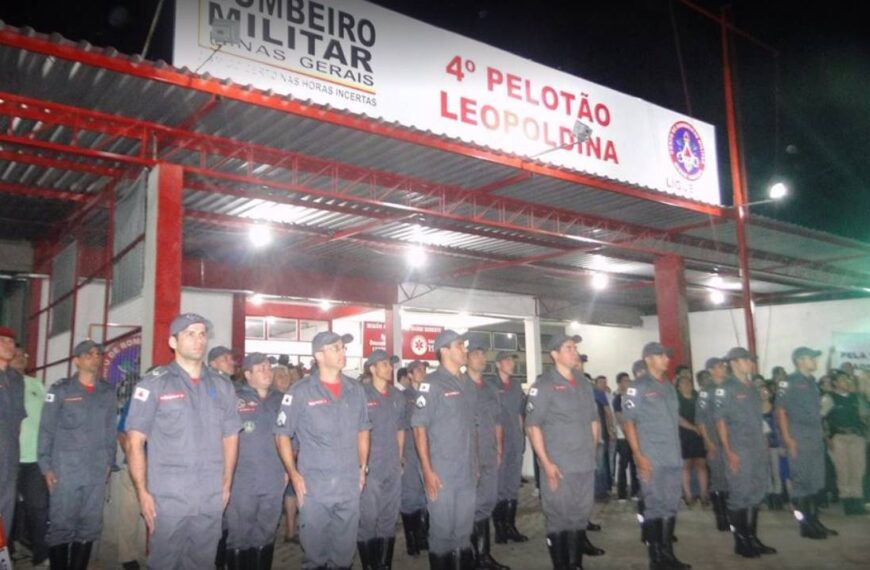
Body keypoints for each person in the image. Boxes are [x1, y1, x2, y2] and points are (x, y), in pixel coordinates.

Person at [125, 313, 241, 570]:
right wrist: (142, 492)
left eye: (202, 334)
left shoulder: (222, 385)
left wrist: (226, 481)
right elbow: (134, 442)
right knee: (165, 563)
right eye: (190, 334)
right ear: (173, 342)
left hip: (210, 495)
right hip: (168, 497)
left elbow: (231, 435)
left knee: (203, 562)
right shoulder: (154, 384)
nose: (198, 340)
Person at [274, 331, 370, 569]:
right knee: (316, 555)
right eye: (335, 348)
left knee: (344, 555)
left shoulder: (355, 390)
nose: (342, 352)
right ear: (318, 355)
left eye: (343, 347)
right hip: (315, 488)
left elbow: (363, 430)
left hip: (348, 485)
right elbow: (282, 434)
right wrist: (294, 474)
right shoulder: (300, 391)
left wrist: (362, 467)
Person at [526, 334, 603, 570]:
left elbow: (593, 420)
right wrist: (546, 463)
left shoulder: (583, 383)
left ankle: (576, 564)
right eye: (569, 348)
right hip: (559, 466)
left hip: (584, 464)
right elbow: (533, 426)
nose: (574, 352)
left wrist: (592, 452)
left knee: (579, 517)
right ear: (555, 354)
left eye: (575, 347)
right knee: (559, 519)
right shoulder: (544, 385)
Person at [38, 340, 116, 570]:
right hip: (66, 470)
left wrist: (109, 462)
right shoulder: (61, 390)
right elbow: (46, 429)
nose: (95, 358)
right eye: (89, 354)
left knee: (89, 525)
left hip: (96, 470)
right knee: (61, 525)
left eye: (98, 354)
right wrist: (46, 467)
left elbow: (110, 429)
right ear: (76, 361)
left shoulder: (107, 392)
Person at [411, 330, 477, 568]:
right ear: (444, 351)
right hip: (442, 472)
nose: (465, 350)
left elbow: (471, 427)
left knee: (463, 532)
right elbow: (419, 428)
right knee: (442, 533)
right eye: (460, 345)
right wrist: (428, 471)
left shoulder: (467, 384)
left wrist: (475, 464)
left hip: (466, 470)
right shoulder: (432, 384)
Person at [622, 342, 690, 570]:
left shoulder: (668, 386)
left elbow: (674, 419)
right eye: (661, 356)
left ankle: (668, 554)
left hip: (672, 455)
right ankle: (656, 558)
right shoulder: (638, 387)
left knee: (671, 505)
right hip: (651, 456)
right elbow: (628, 422)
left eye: (667, 356)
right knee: (654, 505)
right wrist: (638, 455)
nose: (667, 359)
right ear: (648, 359)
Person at [714, 347, 776, 557]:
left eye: (751, 360)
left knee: (755, 493)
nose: (750, 363)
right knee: (740, 494)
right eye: (746, 360)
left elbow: (764, 411)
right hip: (739, 447)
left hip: (757, 446)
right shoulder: (725, 388)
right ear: (734, 363)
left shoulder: (752, 387)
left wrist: (765, 398)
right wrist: (728, 450)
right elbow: (720, 421)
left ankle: (752, 538)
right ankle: (740, 541)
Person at [225, 353, 285, 569]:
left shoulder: (281, 400)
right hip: (242, 480)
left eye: (269, 367)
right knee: (240, 535)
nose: (267, 372)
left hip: (274, 479)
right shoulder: (233, 399)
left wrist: (288, 469)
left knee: (266, 534)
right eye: (261, 368)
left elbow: (291, 437)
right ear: (248, 374)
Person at [776, 347, 838, 539]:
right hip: (799, 438)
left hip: (815, 438)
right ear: (800, 360)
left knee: (815, 482)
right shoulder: (788, 382)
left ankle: (814, 521)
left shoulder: (812, 382)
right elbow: (781, 412)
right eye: (812, 358)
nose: (815, 361)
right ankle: (805, 525)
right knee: (802, 484)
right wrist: (788, 439)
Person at [357, 350, 405, 570]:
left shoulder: (397, 396)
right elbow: (356, 433)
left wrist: (400, 458)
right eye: (384, 364)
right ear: (372, 368)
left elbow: (401, 429)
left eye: (390, 364)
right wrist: (360, 465)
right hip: (370, 468)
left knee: (388, 517)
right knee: (368, 519)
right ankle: (370, 565)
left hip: (391, 466)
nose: (389, 368)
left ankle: (384, 565)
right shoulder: (361, 395)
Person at [465, 343, 509, 570]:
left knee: (486, 503)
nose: (481, 358)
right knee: (471, 506)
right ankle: (472, 556)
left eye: (483, 354)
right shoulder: (460, 387)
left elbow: (497, 421)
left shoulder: (491, 388)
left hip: (489, 454)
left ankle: (483, 555)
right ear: (466, 359)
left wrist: (499, 449)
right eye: (476, 354)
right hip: (468, 456)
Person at [11, 346, 49, 567]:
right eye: (15, 354)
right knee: (7, 508)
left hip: (34, 458)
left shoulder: (36, 385)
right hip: (7, 458)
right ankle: (7, 551)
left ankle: (41, 554)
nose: (21, 357)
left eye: (24, 355)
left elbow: (48, 419)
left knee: (39, 507)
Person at [488, 352, 528, 544]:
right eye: (507, 360)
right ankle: (500, 529)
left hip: (514, 441)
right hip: (498, 443)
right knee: (499, 486)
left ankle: (511, 527)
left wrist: (522, 437)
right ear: (498, 364)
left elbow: (520, 413)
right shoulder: (490, 385)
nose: (511, 364)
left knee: (512, 485)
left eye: (513, 360)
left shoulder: (517, 386)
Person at [822, 369, 868, 515]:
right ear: (835, 383)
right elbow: (821, 418)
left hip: (856, 437)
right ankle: (847, 501)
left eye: (847, 379)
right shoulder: (829, 398)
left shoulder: (856, 398)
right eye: (842, 379)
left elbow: (865, 417)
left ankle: (857, 500)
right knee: (842, 470)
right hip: (839, 438)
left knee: (858, 469)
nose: (846, 382)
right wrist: (827, 437)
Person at [400, 360, 429, 557]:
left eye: (424, 369)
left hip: (428, 452)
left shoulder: (430, 395)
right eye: (418, 369)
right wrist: (400, 454)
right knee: (410, 497)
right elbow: (399, 428)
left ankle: (423, 537)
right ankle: (412, 541)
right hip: (410, 452)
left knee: (426, 497)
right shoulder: (403, 397)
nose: (423, 371)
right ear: (409, 375)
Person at [696, 357, 729, 531]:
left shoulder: (730, 387)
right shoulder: (706, 392)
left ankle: (732, 516)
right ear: (711, 370)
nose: (723, 368)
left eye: (723, 366)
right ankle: (722, 519)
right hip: (715, 441)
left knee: (732, 479)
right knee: (719, 480)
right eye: (719, 366)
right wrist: (707, 441)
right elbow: (700, 419)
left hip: (733, 441)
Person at [0, 326, 26, 544]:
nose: (9, 346)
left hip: (9, 453)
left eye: (11, 342)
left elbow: (18, 422)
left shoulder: (16, 380)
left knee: (6, 507)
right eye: (3, 341)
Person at [272, 364, 300, 544]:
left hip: (292, 451)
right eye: (280, 377)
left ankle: (291, 529)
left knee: (291, 492)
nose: (284, 380)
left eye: (286, 377)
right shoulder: (274, 400)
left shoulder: (290, 398)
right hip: (277, 454)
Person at [676, 372, 708, 506]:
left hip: (699, 435)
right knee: (686, 466)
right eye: (683, 383)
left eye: (688, 383)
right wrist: (693, 428)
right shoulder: (676, 400)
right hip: (684, 435)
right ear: (678, 387)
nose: (687, 385)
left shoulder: (698, 398)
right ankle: (688, 495)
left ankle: (704, 494)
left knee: (701, 464)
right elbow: (677, 418)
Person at [612, 372, 639, 502]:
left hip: (635, 435)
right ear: (619, 383)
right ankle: (621, 494)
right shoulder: (618, 398)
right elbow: (619, 418)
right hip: (623, 437)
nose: (628, 383)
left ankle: (635, 492)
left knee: (635, 464)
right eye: (625, 381)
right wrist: (628, 434)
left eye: (629, 380)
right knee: (623, 464)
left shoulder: (634, 397)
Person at [760, 382, 786, 510]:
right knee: (765, 472)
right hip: (760, 446)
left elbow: (780, 427)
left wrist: (782, 444)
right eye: (760, 392)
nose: (763, 394)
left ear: (770, 394)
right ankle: (768, 497)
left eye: (765, 392)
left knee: (776, 471)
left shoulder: (775, 409)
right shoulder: (754, 409)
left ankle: (778, 498)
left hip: (775, 443)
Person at [593, 375, 614, 502]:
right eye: (601, 382)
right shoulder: (597, 394)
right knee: (599, 465)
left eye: (605, 382)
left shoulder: (600, 395)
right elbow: (608, 413)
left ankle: (601, 491)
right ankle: (600, 491)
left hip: (600, 436)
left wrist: (610, 429)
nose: (603, 384)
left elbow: (608, 414)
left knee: (600, 464)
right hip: (595, 437)